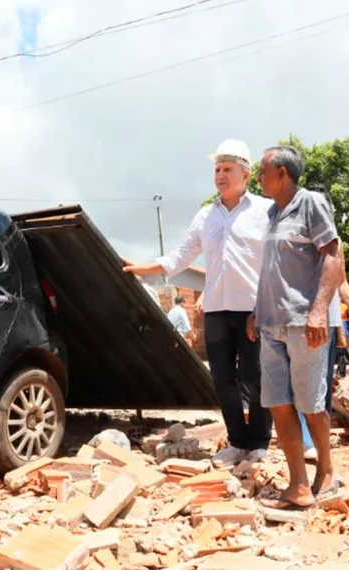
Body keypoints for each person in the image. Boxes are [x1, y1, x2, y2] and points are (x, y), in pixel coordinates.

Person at [124, 139, 273, 467]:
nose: (220, 175)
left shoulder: (264, 211)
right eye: (217, 169)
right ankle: (237, 442)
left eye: (227, 169)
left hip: (253, 310)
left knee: (256, 377)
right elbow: (181, 256)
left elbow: (277, 260)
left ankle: (259, 442)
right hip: (217, 309)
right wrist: (145, 268)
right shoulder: (206, 215)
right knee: (222, 378)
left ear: (246, 174)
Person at [248, 145, 342, 509]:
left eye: (263, 171)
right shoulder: (273, 213)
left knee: (310, 404)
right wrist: (257, 310)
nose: (259, 178)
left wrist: (319, 311)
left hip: (304, 324)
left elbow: (333, 255)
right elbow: (272, 270)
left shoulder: (310, 203)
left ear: (283, 173)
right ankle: (299, 485)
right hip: (271, 325)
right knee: (279, 404)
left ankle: (327, 471)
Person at [295, 186, 349, 462]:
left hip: (329, 319)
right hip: (300, 318)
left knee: (322, 382)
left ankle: (318, 443)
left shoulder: (336, 241)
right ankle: (304, 440)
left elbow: (341, 279)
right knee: (299, 379)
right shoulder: (293, 238)